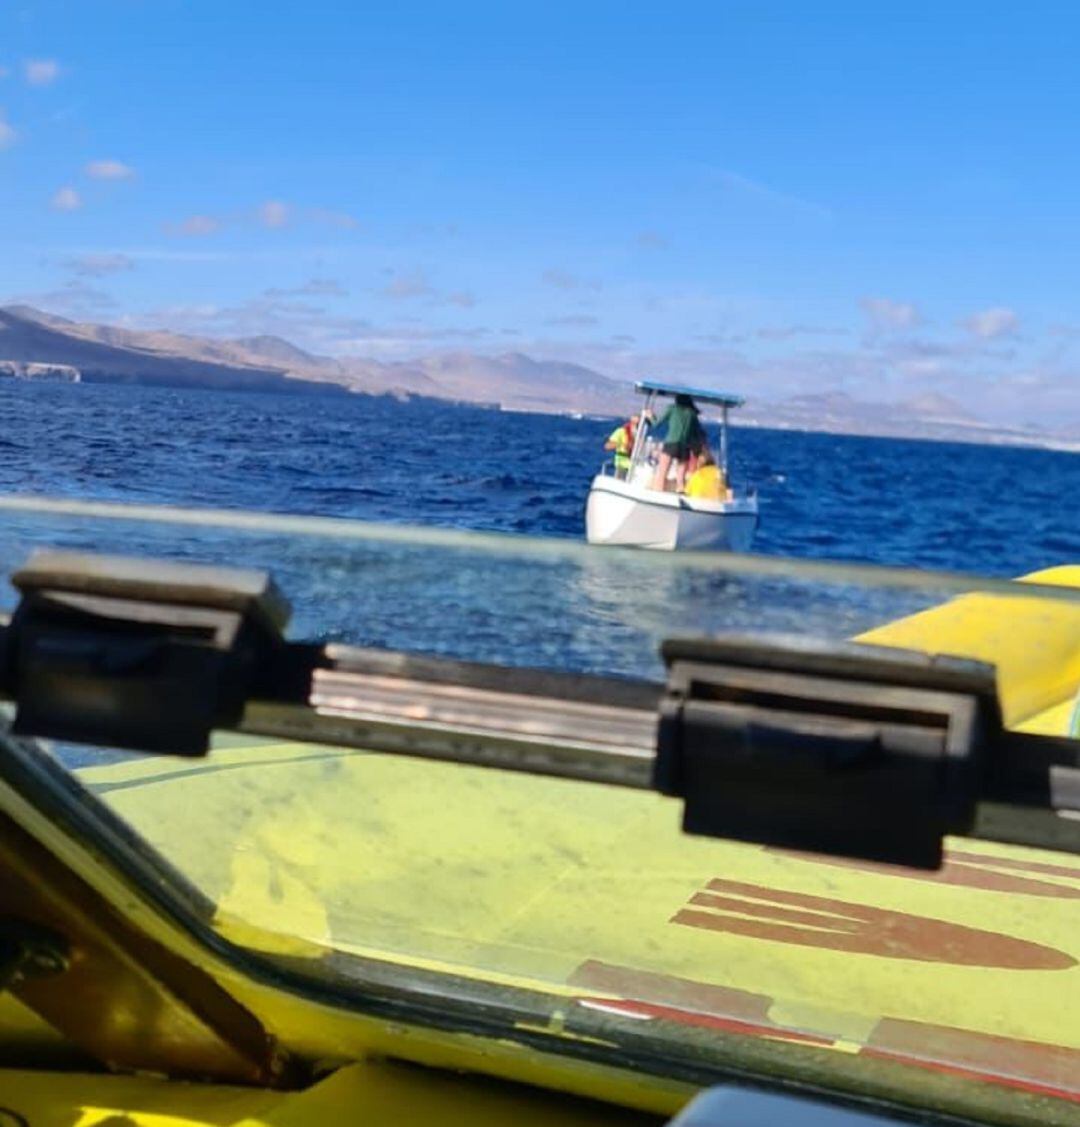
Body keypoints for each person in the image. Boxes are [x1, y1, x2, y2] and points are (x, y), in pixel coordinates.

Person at [651, 394, 706, 493]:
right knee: (680, 477)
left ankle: (659, 490)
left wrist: (650, 416)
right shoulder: (692, 414)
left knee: (662, 471)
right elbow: (697, 432)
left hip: (671, 443)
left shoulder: (672, 409)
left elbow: (656, 424)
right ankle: (680, 490)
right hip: (685, 446)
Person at [603, 413, 640, 479]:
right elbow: (607, 446)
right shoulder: (621, 431)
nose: (636, 426)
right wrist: (622, 444)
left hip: (635, 466)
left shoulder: (639, 435)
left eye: (638, 424)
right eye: (635, 423)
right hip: (622, 465)